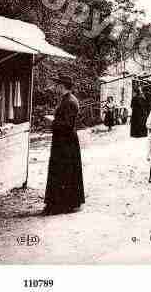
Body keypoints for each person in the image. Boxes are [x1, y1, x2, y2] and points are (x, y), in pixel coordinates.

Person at [43, 74, 85, 215]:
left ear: (62, 86)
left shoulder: (70, 101)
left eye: (57, 85)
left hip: (66, 141)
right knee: (62, 170)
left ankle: (65, 204)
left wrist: (52, 122)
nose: (56, 87)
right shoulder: (66, 100)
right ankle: (62, 203)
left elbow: (68, 124)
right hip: (63, 140)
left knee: (64, 170)